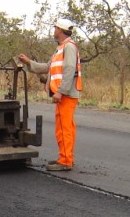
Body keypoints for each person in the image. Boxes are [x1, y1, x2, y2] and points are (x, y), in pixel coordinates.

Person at [18, 18, 82, 171]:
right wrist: (29, 62)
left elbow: (69, 71)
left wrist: (60, 91)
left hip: (66, 95)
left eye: (55, 28)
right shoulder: (60, 49)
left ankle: (66, 161)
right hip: (64, 95)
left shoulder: (69, 47)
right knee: (64, 127)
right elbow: (47, 67)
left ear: (60, 30)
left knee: (64, 128)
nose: (54, 31)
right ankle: (65, 158)